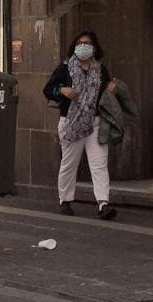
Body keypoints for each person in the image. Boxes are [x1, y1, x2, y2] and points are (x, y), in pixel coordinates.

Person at [44, 30, 118, 219]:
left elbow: (105, 95)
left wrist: (112, 90)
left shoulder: (100, 69)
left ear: (94, 47)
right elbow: (48, 89)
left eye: (87, 43)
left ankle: (103, 203)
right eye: (80, 43)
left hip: (95, 122)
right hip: (71, 123)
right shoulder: (65, 68)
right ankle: (65, 200)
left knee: (99, 163)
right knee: (69, 163)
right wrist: (62, 90)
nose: (83, 46)